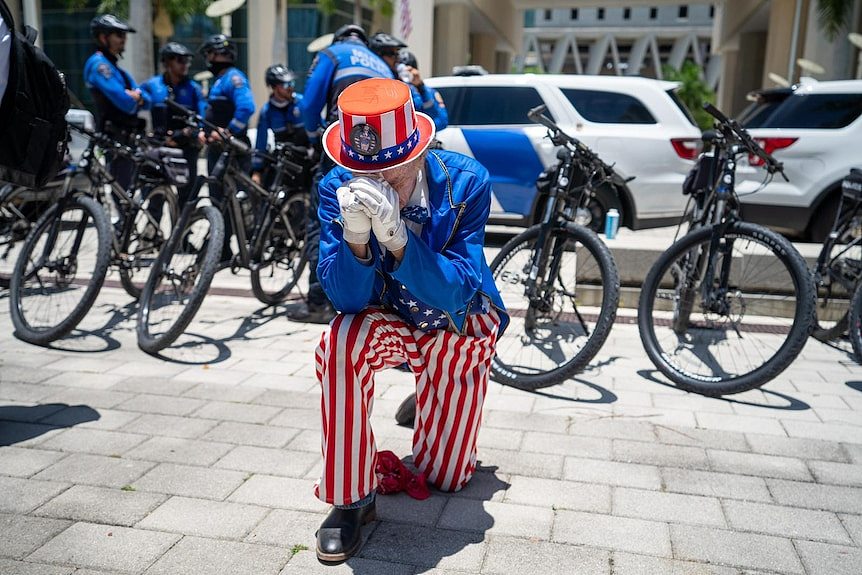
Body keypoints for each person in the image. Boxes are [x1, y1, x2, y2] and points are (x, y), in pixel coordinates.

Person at [311, 77, 508, 562]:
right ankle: (351, 499)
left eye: (392, 175)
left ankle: (431, 392)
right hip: (386, 319)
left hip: (454, 322)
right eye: (365, 173)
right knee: (340, 342)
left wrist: (399, 241)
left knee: (448, 478)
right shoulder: (336, 187)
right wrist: (357, 241)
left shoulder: (466, 182)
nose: (379, 187)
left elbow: (460, 286)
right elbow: (344, 299)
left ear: (419, 153)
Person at [292, 23, 392, 324]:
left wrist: (313, 137)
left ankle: (318, 301)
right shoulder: (382, 66)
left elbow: (309, 106)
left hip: (343, 149)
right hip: (384, 158)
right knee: (378, 222)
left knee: (323, 220)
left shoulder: (332, 54)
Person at [198, 33, 255, 263]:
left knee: (233, 199)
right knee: (217, 198)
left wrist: (227, 131)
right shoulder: (220, 80)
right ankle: (221, 247)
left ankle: (235, 247)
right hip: (217, 149)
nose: (209, 58)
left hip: (231, 150)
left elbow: (246, 108)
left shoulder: (234, 78)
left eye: (211, 53)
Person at [84, 14, 150, 190]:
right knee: (120, 190)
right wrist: (134, 97)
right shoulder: (99, 65)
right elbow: (125, 103)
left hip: (128, 136)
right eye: (119, 35)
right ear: (103, 37)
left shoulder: (118, 70)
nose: (124, 39)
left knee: (129, 189)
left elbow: (148, 100)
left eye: (124, 35)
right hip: (114, 136)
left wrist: (137, 96)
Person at [140, 42, 206, 205]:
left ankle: (184, 230)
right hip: (159, 148)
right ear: (167, 62)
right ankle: (152, 229)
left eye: (187, 61)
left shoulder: (194, 89)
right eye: (180, 60)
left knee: (187, 196)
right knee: (155, 196)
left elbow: (202, 117)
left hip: (185, 149)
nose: (185, 65)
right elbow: (134, 102)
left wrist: (191, 133)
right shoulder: (151, 85)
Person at [251, 64, 308, 187]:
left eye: (292, 83)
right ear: (274, 87)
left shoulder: (302, 102)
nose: (291, 88)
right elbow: (261, 141)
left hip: (306, 156)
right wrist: (257, 170)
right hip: (283, 158)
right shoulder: (267, 111)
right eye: (286, 85)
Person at [399, 50, 448, 132]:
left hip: (424, 140)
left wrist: (420, 87)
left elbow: (441, 122)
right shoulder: (390, 92)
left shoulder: (430, 92)